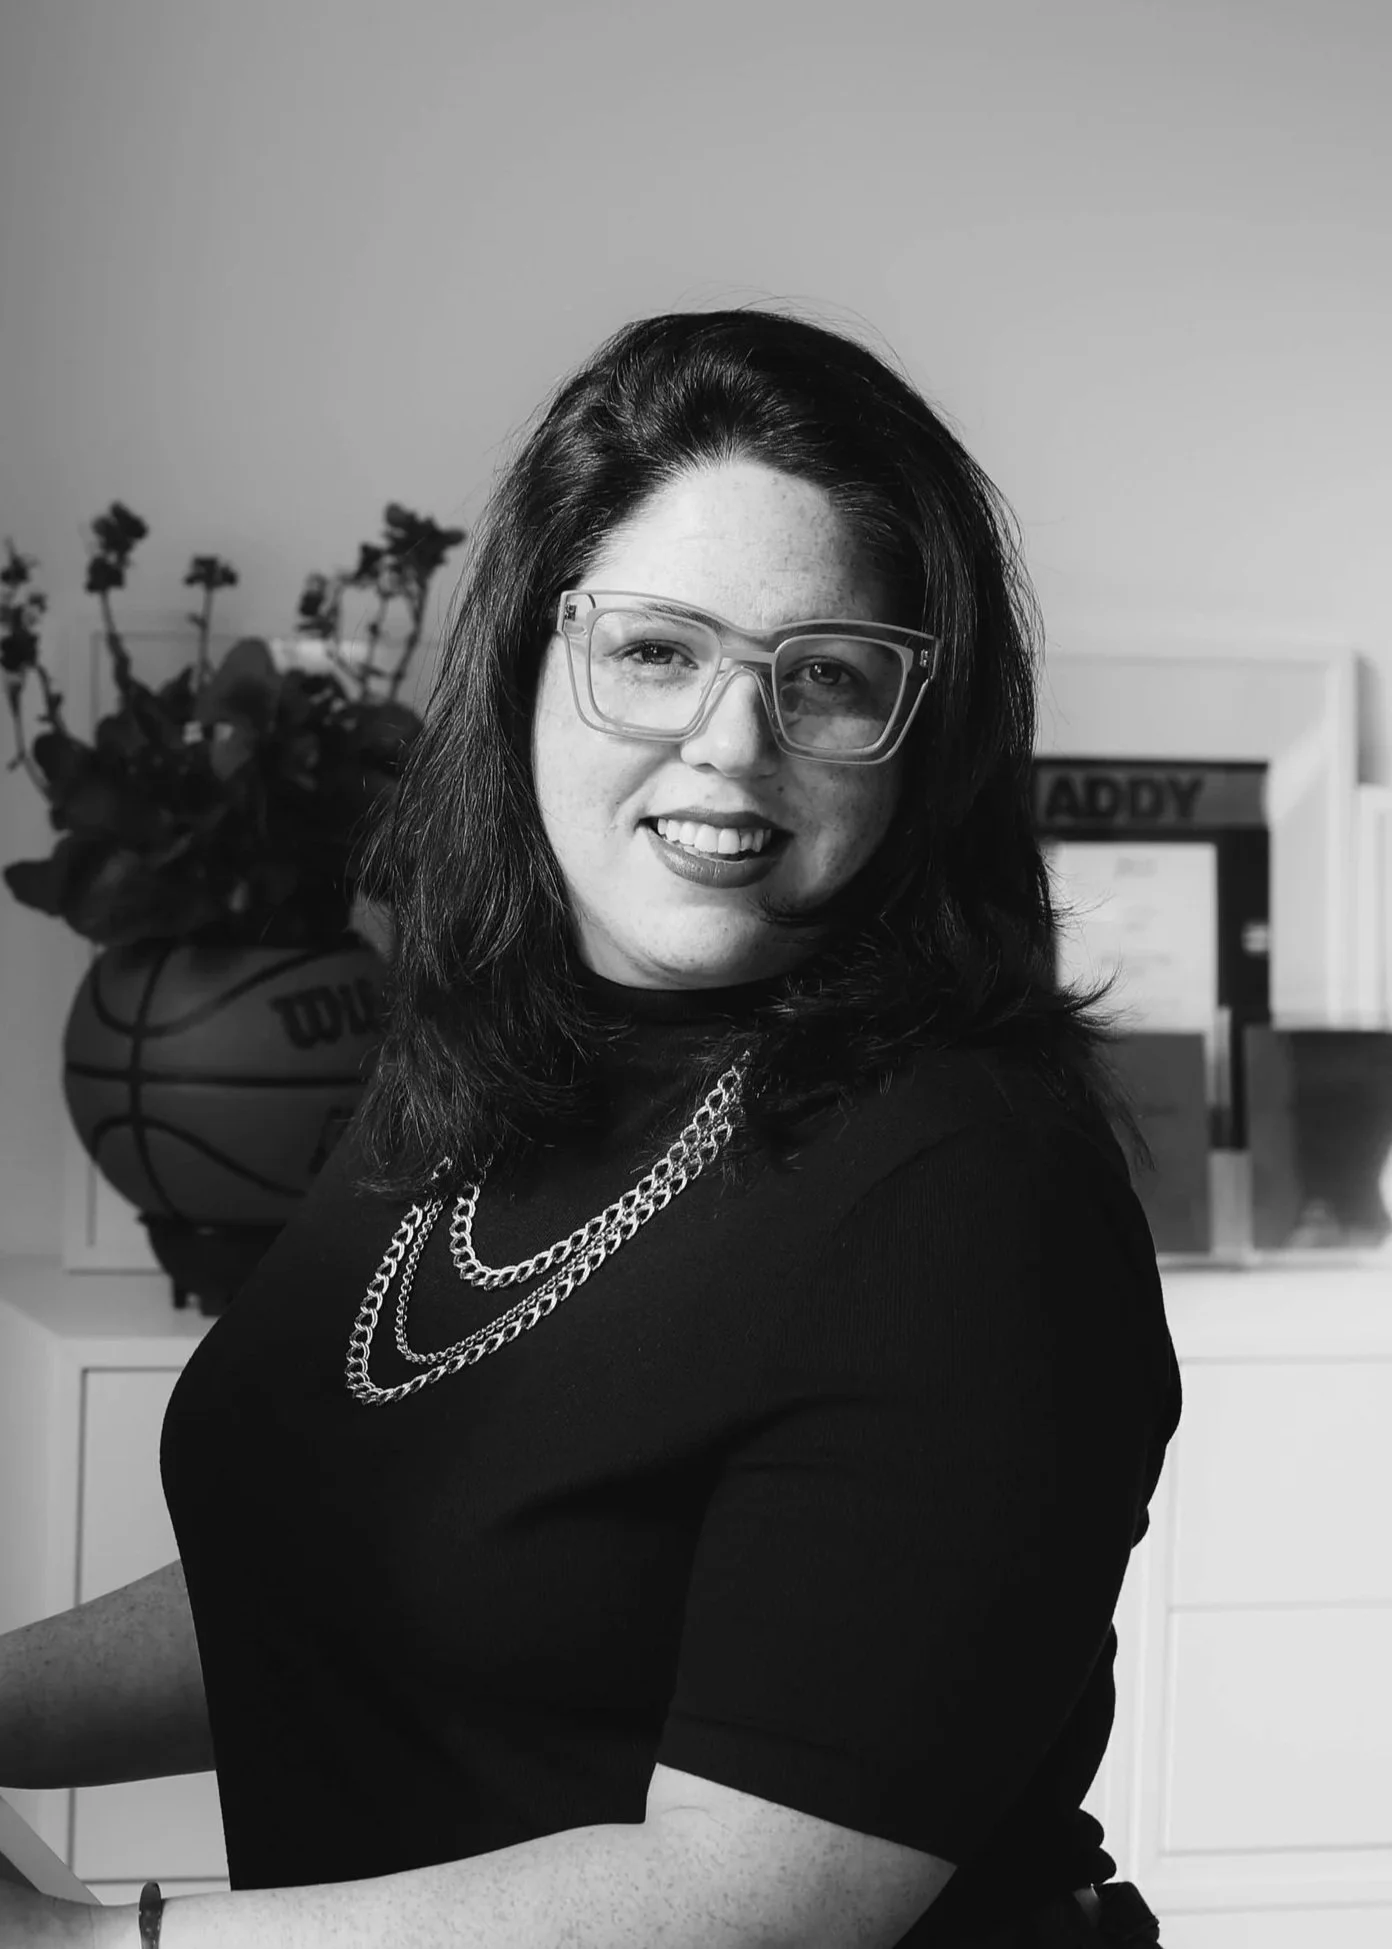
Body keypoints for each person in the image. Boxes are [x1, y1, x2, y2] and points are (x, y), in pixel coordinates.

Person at [0, 307, 1175, 1948]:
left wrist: (89, 1943)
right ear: (531, 661)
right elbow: (338, 1599)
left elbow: (754, 1902)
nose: (733, 743)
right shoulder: (479, 1065)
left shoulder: (972, 1193)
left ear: (923, 741)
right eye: (659, 652)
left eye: (827, 675)